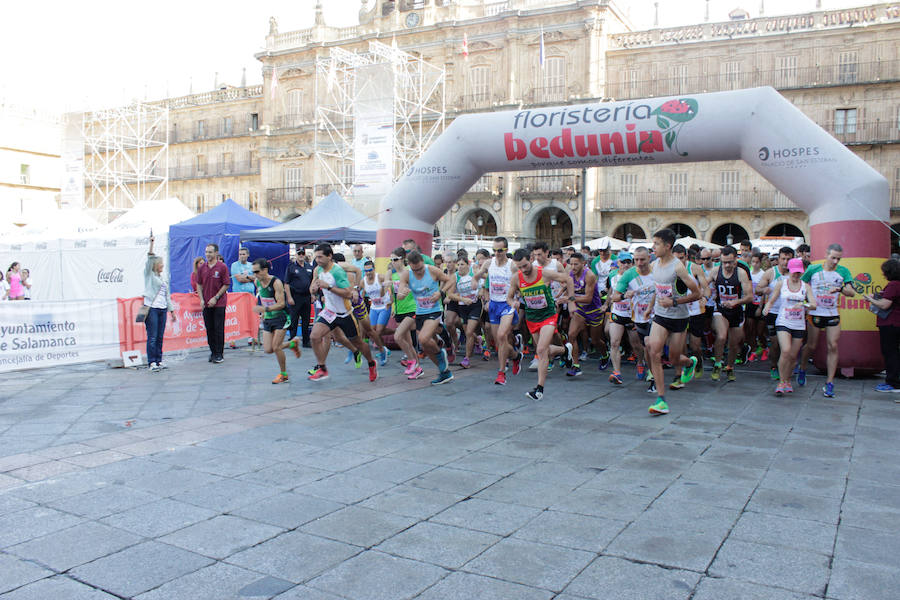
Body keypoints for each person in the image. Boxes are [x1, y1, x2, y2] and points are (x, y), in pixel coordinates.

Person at [644, 229, 702, 416]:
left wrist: (674, 301)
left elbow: (697, 293)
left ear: (667, 246)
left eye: (657, 244)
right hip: (660, 316)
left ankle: (689, 363)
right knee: (654, 351)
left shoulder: (678, 267)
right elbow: (658, 289)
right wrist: (650, 307)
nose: (653, 248)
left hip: (678, 317)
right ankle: (661, 400)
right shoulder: (654, 265)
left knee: (674, 358)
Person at [508, 248, 575, 400]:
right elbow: (509, 297)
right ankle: (565, 351)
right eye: (519, 267)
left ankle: (539, 390)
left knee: (541, 349)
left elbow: (568, 280)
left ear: (531, 259)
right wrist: (514, 303)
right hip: (532, 317)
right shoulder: (516, 278)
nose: (523, 270)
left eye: (525, 265)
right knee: (544, 351)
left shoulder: (543, 273)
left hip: (548, 315)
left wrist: (571, 302)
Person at [307, 243, 378, 382]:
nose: (318, 260)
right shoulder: (318, 270)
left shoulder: (337, 271)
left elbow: (347, 294)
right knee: (314, 336)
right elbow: (312, 287)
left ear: (329, 256)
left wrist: (328, 287)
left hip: (345, 314)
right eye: (316, 257)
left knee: (358, 342)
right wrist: (314, 289)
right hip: (329, 312)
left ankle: (371, 363)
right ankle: (322, 368)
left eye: (320, 257)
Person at [800, 243, 856, 398]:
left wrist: (840, 289)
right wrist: (805, 301)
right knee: (811, 345)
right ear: (826, 254)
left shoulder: (843, 271)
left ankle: (829, 383)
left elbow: (851, 292)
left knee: (833, 345)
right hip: (816, 313)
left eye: (839, 258)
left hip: (832, 314)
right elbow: (801, 285)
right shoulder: (813, 269)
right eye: (833, 258)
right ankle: (803, 368)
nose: (836, 261)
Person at [395, 250, 456, 384]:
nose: (419, 271)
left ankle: (441, 354)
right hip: (420, 312)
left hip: (434, 310)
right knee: (426, 348)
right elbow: (400, 292)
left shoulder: (432, 270)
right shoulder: (407, 274)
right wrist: (402, 294)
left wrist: (441, 293)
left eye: (420, 268)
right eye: (415, 269)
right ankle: (445, 373)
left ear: (423, 263)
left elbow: (451, 280)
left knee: (423, 338)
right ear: (409, 265)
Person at [763, 257, 816, 396]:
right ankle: (781, 381)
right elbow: (773, 299)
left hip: (799, 324)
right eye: (794, 272)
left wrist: (804, 304)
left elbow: (814, 304)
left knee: (793, 356)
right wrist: (767, 307)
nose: (796, 275)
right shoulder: (782, 284)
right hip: (783, 321)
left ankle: (787, 380)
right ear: (790, 270)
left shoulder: (805, 286)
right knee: (785, 351)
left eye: (799, 272)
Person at [473, 236, 523, 385]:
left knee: (502, 335)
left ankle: (501, 373)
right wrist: (475, 281)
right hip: (494, 304)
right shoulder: (489, 263)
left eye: (500, 250)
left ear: (506, 250)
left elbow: (521, 285)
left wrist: (517, 299)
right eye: (494, 250)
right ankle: (515, 356)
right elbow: (478, 275)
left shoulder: (512, 266)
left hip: (507, 304)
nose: (497, 253)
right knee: (498, 341)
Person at [706, 246, 754, 382]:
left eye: (730, 262)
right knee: (721, 336)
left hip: (737, 311)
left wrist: (736, 302)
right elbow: (704, 284)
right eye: (724, 262)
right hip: (720, 309)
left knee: (734, 344)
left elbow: (750, 296)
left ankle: (730, 366)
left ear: (735, 260)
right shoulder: (715, 271)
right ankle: (717, 364)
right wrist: (704, 295)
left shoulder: (741, 273)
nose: (727, 265)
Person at [251, 258, 301, 384]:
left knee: (276, 347)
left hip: (281, 317)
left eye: (257, 271)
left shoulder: (276, 282)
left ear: (265, 270)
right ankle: (292, 344)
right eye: (253, 272)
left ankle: (283, 374)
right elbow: (263, 296)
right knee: (268, 349)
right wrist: (264, 313)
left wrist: (264, 308)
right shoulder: (257, 282)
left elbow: (281, 303)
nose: (255, 275)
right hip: (268, 318)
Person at [612, 246, 655, 381]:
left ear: (649, 258)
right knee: (614, 342)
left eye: (642, 259)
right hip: (629, 314)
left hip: (654, 316)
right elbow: (614, 297)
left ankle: (643, 364)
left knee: (642, 345)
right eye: (636, 259)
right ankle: (616, 373)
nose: (639, 263)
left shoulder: (657, 271)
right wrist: (625, 295)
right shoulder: (629, 275)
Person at [756, 247, 794, 380]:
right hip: (773, 312)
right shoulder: (771, 273)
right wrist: (764, 289)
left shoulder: (795, 273)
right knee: (776, 343)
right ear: (778, 259)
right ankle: (774, 366)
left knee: (789, 345)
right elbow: (758, 289)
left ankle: (785, 366)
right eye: (783, 259)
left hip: (790, 314)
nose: (785, 262)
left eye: (788, 259)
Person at [863, 258, 900, 395]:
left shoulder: (893, 285)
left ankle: (893, 382)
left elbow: (885, 304)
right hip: (895, 323)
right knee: (894, 352)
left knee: (890, 352)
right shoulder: (896, 285)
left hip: (890, 323)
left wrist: (870, 299)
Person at [566, 252, 605, 377]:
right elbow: (569, 288)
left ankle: (605, 355)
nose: (573, 266)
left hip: (594, 310)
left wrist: (570, 299)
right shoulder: (571, 274)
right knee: (571, 335)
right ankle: (576, 365)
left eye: (576, 264)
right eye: (571, 264)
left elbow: (588, 298)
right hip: (581, 310)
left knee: (595, 340)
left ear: (583, 264)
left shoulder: (589, 275)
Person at [143, 235, 176, 372]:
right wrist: (151, 244)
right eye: (161, 263)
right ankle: (152, 362)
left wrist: (172, 311)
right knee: (152, 336)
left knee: (160, 336)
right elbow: (149, 259)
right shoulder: (149, 275)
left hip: (162, 309)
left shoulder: (162, 279)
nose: (162, 265)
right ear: (156, 265)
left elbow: (167, 296)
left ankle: (159, 360)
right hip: (151, 308)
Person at [447, 254, 484, 368]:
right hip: (463, 306)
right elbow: (450, 294)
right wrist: (462, 299)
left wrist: (482, 291)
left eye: (462, 264)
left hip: (475, 305)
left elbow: (484, 283)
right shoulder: (455, 276)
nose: (460, 267)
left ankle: (467, 359)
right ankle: (477, 340)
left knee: (468, 332)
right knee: (468, 332)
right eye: (458, 265)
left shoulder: (474, 271)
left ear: (468, 264)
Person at [196, 243, 230, 363]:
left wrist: (216, 297)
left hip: (219, 303)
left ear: (216, 253)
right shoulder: (202, 268)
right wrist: (201, 299)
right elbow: (199, 284)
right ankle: (213, 352)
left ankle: (219, 353)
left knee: (218, 329)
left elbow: (226, 284)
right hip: (206, 304)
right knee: (209, 328)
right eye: (206, 252)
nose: (208, 254)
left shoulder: (222, 267)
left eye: (210, 252)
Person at [362, 260, 391, 366]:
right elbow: (359, 291)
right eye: (366, 271)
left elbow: (390, 284)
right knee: (372, 331)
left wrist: (390, 299)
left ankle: (382, 352)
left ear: (374, 269)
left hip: (385, 306)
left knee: (378, 331)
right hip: (374, 308)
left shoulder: (380, 277)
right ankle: (386, 346)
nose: (368, 273)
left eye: (370, 270)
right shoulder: (363, 280)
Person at [284, 251, 314, 348]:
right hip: (295, 297)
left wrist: (313, 295)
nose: (301, 255)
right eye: (299, 254)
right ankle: (292, 341)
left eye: (302, 254)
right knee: (294, 320)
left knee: (306, 320)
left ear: (304, 255)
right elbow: (286, 283)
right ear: (296, 255)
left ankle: (306, 341)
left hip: (307, 297)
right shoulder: (291, 267)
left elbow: (313, 281)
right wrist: (289, 297)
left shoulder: (309, 267)